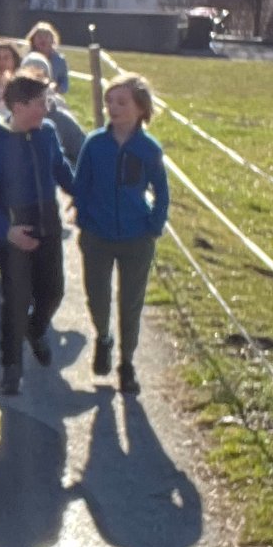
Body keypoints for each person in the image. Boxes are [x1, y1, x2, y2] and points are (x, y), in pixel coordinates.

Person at [0, 72, 76, 396]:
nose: (46, 109)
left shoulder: (47, 133)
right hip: (14, 234)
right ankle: (11, 367)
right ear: (18, 107)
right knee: (16, 302)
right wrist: (7, 231)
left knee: (53, 292)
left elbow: (60, 168)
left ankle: (36, 329)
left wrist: (81, 194)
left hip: (48, 225)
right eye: (40, 103)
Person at [71, 72, 170, 396]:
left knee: (131, 302)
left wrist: (154, 225)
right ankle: (103, 337)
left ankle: (127, 364)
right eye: (109, 101)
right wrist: (84, 218)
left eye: (122, 102)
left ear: (140, 108)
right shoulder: (95, 144)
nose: (113, 108)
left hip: (136, 237)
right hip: (97, 236)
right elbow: (81, 184)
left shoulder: (148, 148)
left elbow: (162, 191)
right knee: (97, 296)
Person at [24, 21, 70, 96]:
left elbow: (64, 83)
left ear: (52, 39)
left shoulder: (60, 60)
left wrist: (56, 88)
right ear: (33, 40)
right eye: (39, 36)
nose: (43, 39)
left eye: (46, 36)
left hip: (53, 96)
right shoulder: (27, 59)